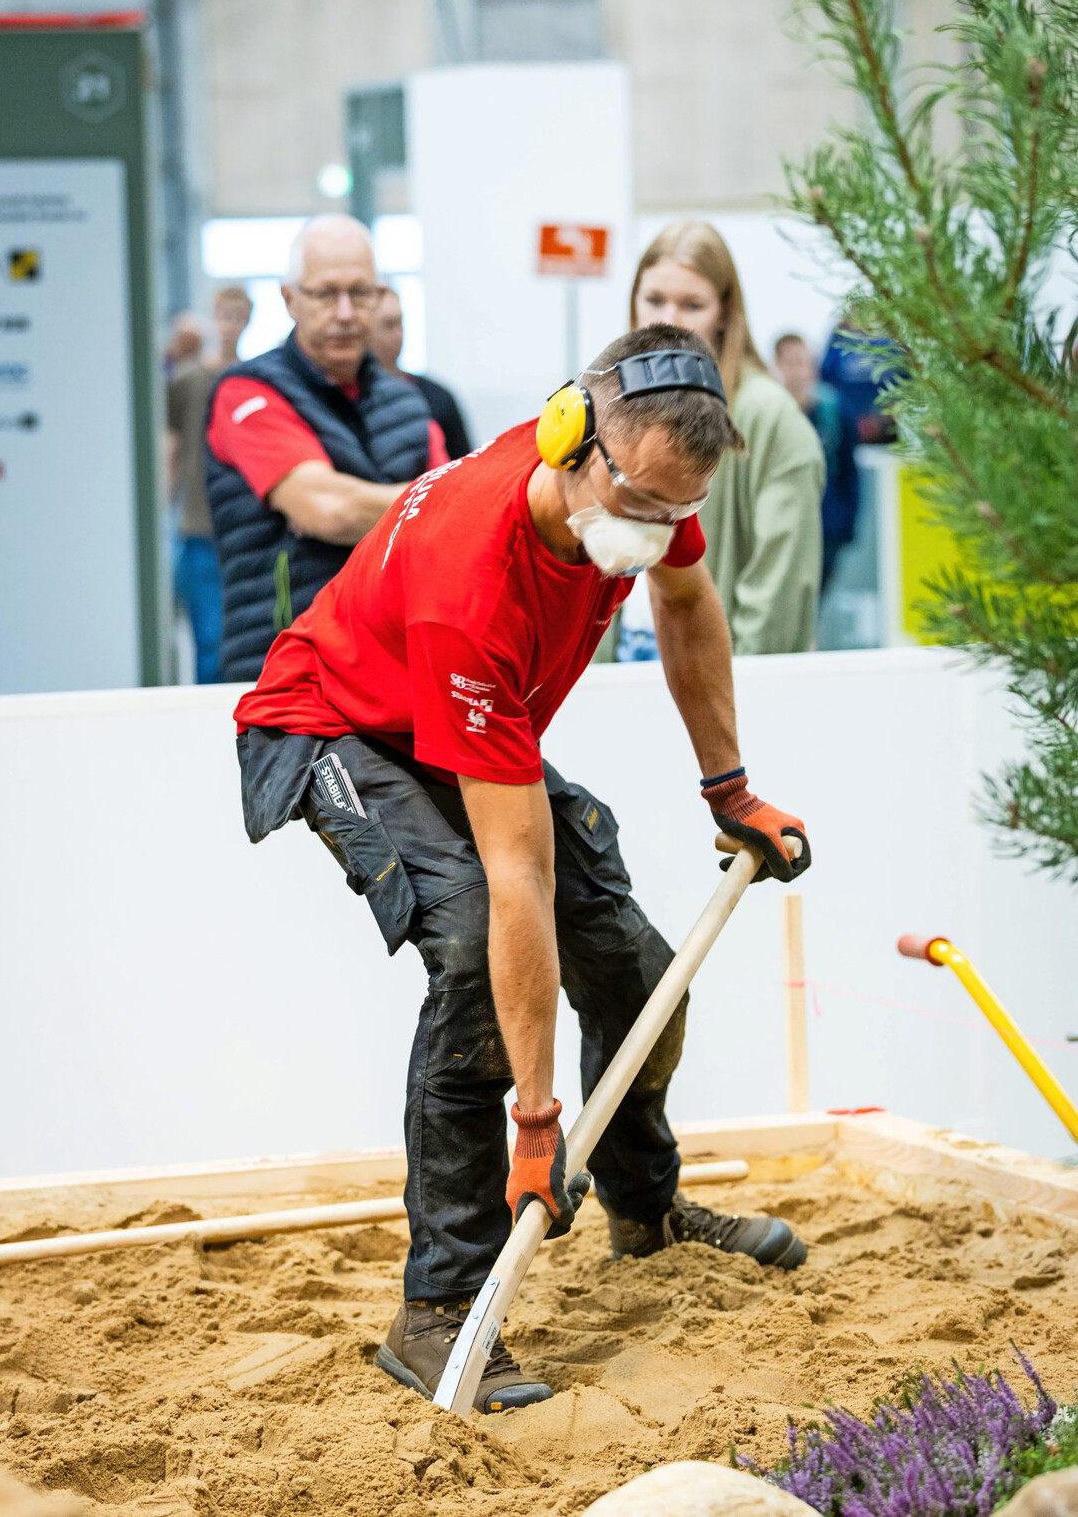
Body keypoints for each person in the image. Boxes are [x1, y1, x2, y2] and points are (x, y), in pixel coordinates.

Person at [233, 322, 813, 1414]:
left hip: (448, 715)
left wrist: (729, 790)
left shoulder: (647, 485)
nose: (652, 534)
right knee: (473, 961)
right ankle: (438, 1311)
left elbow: (686, 605)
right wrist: (536, 1127)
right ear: (569, 439)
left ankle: (645, 1215)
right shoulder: (473, 574)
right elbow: (517, 883)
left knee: (634, 965)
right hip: (337, 725)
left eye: (675, 515)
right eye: (637, 505)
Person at [205, 215, 448, 682]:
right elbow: (331, 510)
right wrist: (423, 502)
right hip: (286, 681)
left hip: (393, 675)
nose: (344, 312)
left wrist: (371, 505)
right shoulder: (246, 393)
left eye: (360, 293)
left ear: (379, 297)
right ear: (289, 298)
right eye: (324, 293)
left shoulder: (409, 404)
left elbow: (451, 522)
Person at [622, 223, 825, 656]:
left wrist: (729, 702)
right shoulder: (611, 404)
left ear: (726, 313)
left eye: (692, 304)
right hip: (623, 678)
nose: (668, 321)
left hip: (719, 686)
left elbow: (779, 591)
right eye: (655, 299)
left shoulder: (770, 419)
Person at [168, 287, 253, 684]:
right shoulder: (188, 381)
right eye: (225, 314)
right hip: (198, 529)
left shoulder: (256, 382)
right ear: (214, 316)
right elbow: (171, 447)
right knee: (208, 644)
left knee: (247, 642)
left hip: (244, 534)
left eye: (239, 315)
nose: (230, 324)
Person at [818, 320, 903, 588]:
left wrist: (879, 423)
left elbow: (907, 392)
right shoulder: (837, 344)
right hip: (846, 448)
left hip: (889, 456)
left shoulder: (893, 342)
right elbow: (825, 385)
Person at [773, 333, 844, 592]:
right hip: (782, 527)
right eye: (791, 363)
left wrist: (845, 528)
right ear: (777, 366)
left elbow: (847, 472)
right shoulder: (770, 414)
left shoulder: (833, 410)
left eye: (804, 362)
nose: (798, 371)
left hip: (827, 526)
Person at [370, 286, 471, 460]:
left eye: (400, 323)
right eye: (388, 324)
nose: (398, 334)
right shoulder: (345, 401)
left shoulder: (439, 398)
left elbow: (468, 469)